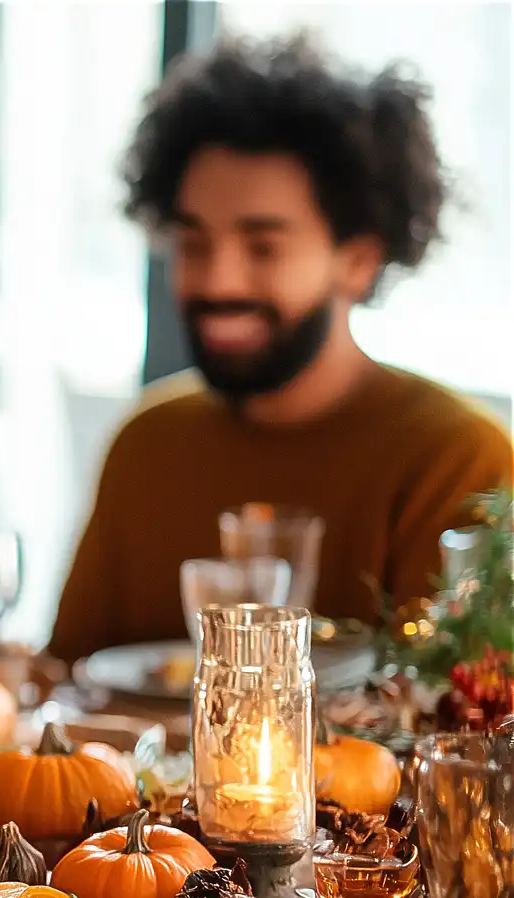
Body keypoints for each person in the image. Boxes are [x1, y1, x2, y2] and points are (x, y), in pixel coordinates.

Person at [48, 34, 512, 665]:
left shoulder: (458, 459)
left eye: (263, 247)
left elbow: (461, 726)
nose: (218, 281)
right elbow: (60, 688)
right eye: (193, 244)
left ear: (359, 259)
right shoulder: (145, 446)